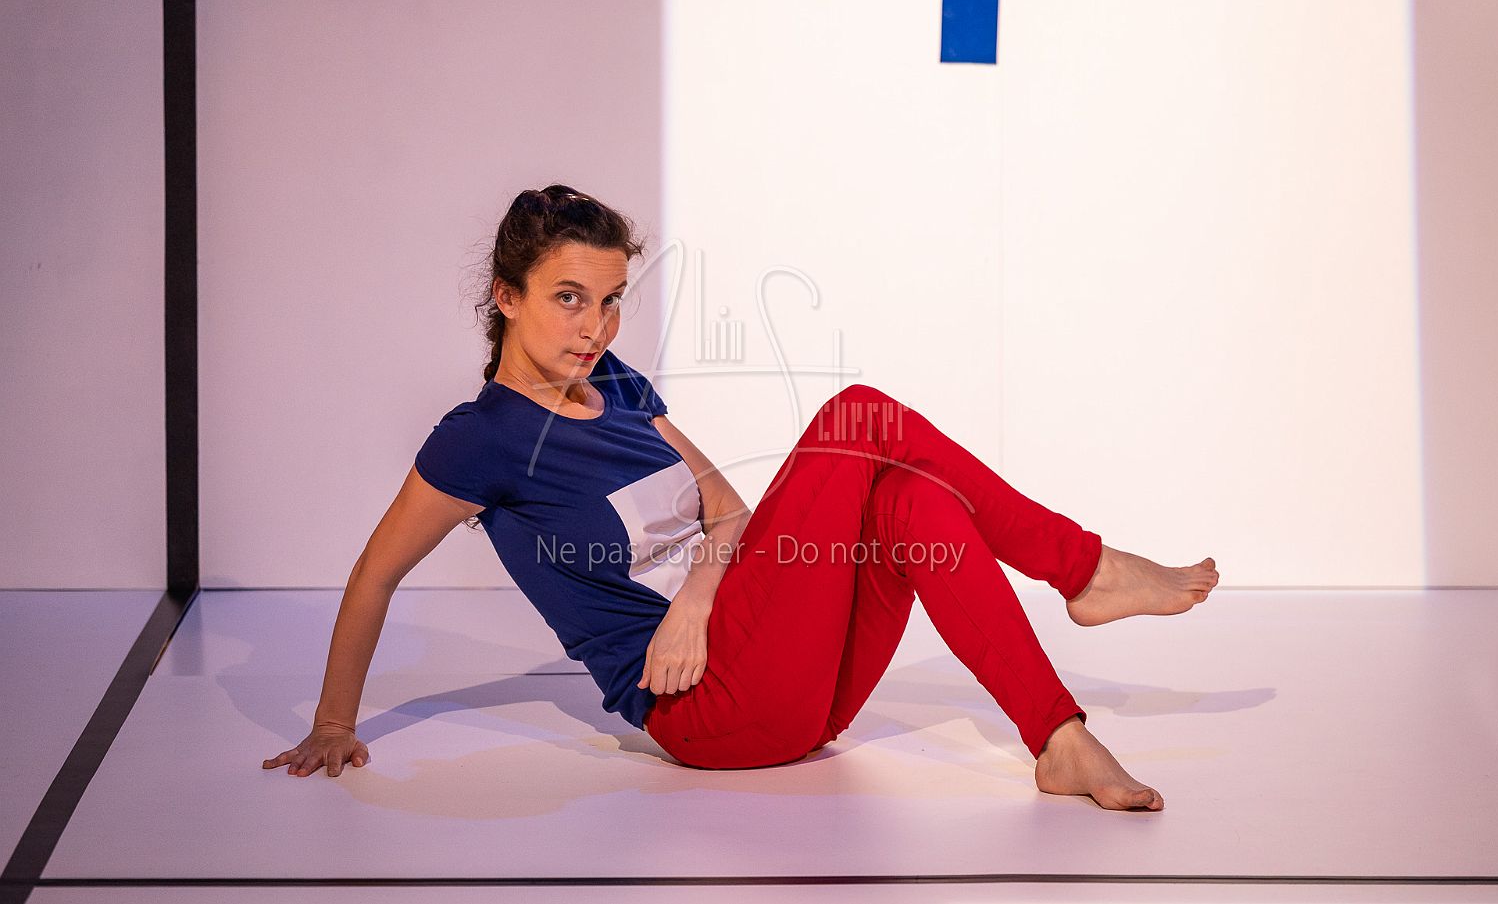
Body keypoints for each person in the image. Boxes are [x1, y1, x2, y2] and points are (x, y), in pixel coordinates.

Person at [262, 183, 1219, 812]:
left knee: (914, 506)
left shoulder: (618, 386)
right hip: (707, 711)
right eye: (568, 297)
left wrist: (697, 597)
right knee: (859, 416)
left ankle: (1058, 737)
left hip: (793, 684)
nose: (595, 325)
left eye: (611, 298)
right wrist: (336, 722)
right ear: (506, 296)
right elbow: (375, 572)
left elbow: (733, 511)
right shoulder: (482, 437)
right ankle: (1082, 568)